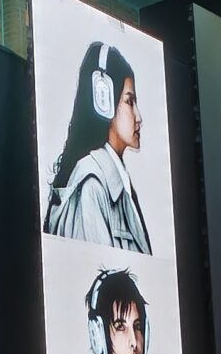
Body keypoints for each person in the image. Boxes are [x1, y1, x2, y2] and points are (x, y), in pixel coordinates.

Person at [43, 41, 152, 252]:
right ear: (104, 100)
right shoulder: (91, 186)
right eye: (129, 102)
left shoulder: (118, 185)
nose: (139, 117)